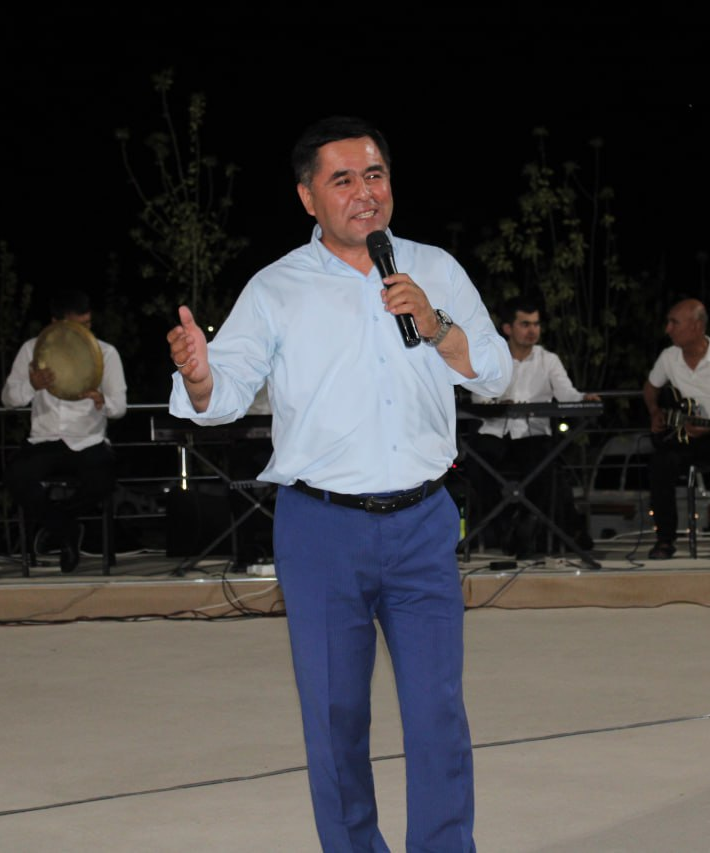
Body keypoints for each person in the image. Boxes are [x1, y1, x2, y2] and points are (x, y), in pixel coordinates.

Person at [166, 116, 510, 851]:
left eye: (375, 175)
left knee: (436, 713)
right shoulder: (275, 288)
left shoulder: (434, 268)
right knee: (335, 717)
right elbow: (224, 392)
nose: (365, 192)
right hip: (321, 529)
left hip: (423, 522)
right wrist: (198, 375)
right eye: (344, 179)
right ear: (308, 197)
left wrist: (435, 323)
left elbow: (495, 372)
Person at [1, 290, 127, 572]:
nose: (84, 332)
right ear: (55, 323)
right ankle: (66, 529)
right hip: (44, 440)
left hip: (88, 440)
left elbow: (120, 407)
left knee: (103, 479)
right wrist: (32, 385)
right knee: (16, 476)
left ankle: (60, 523)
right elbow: (8, 399)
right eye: (76, 326)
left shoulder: (105, 353)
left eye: (88, 325)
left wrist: (102, 401)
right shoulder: (31, 350)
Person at [467, 294, 600, 556]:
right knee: (476, 465)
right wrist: (501, 404)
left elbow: (567, 394)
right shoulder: (492, 358)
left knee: (546, 466)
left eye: (536, 324)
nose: (532, 330)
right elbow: (478, 398)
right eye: (525, 324)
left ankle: (528, 526)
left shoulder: (548, 360)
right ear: (508, 328)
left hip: (532, 435)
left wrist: (583, 398)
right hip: (495, 432)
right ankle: (504, 525)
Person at [641, 298, 710, 560]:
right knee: (660, 465)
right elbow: (650, 388)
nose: (668, 329)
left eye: (674, 323)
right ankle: (665, 539)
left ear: (697, 326)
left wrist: (708, 428)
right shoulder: (668, 357)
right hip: (684, 434)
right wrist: (655, 412)